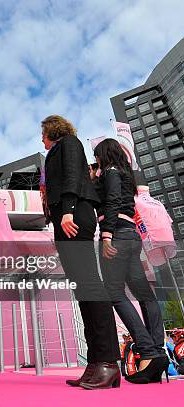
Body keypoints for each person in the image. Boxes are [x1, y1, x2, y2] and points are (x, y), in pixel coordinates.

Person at [41, 115, 120, 390]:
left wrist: (68, 210)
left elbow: (73, 174)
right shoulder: (55, 152)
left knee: (88, 285)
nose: (42, 139)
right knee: (83, 288)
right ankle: (96, 361)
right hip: (66, 217)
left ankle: (108, 362)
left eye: (43, 133)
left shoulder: (68, 143)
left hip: (73, 214)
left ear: (52, 130)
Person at [94, 138, 169, 384]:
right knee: (143, 293)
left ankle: (147, 350)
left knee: (114, 292)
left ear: (104, 155)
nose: (96, 161)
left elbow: (113, 200)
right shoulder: (126, 175)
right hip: (131, 235)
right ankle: (157, 351)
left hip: (117, 234)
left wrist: (106, 234)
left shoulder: (111, 172)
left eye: (97, 156)